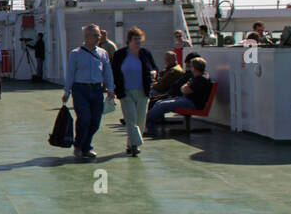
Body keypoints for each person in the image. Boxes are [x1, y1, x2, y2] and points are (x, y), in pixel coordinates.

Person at [61, 25, 115, 160]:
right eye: (95, 35)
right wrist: (66, 92)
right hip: (80, 89)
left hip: (97, 89)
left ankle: (86, 146)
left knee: (95, 121)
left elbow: (107, 72)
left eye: (99, 35)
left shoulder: (103, 53)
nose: (98, 38)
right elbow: (70, 74)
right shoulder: (75, 54)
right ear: (86, 37)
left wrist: (110, 89)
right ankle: (79, 146)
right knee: (84, 119)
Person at [110, 26, 159, 156]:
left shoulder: (145, 54)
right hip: (126, 92)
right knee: (131, 119)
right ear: (129, 40)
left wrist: (154, 73)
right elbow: (113, 72)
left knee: (140, 120)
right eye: (135, 39)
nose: (138, 42)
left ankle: (130, 144)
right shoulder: (120, 55)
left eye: (139, 40)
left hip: (143, 91)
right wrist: (111, 88)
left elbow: (155, 68)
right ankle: (135, 144)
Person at [145, 56, 212, 135]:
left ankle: (143, 123)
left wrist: (185, 86)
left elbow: (185, 90)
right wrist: (186, 87)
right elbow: (185, 88)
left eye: (191, 67)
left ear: (194, 68)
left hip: (192, 103)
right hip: (186, 100)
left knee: (162, 105)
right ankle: (148, 124)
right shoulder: (198, 76)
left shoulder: (201, 79)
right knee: (159, 102)